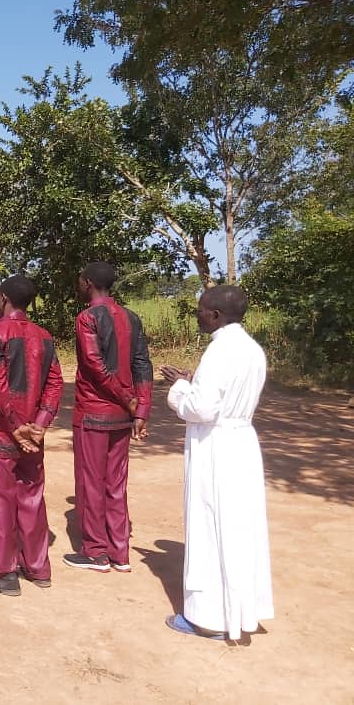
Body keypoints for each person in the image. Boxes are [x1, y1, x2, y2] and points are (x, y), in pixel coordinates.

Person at [159, 285, 273, 641]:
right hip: (241, 442)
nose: (198, 315)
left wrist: (179, 390)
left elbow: (203, 409)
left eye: (201, 311)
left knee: (211, 526)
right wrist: (193, 382)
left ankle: (207, 616)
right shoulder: (252, 350)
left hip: (216, 447)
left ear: (216, 315)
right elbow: (225, 397)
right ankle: (242, 610)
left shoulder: (219, 351)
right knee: (240, 529)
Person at [0, 275, 64, 596]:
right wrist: (39, 424)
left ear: (4, 298)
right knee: (33, 498)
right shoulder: (45, 336)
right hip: (32, 436)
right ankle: (38, 568)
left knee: (0, 500)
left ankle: (4, 572)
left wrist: (16, 424)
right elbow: (55, 386)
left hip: (3, 433)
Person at [65, 262, 153, 573]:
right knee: (117, 483)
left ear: (88, 282)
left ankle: (95, 552)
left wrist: (130, 400)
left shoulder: (87, 318)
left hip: (94, 413)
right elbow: (143, 363)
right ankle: (120, 553)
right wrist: (141, 408)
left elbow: (95, 366)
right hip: (121, 417)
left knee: (91, 482)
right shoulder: (131, 317)